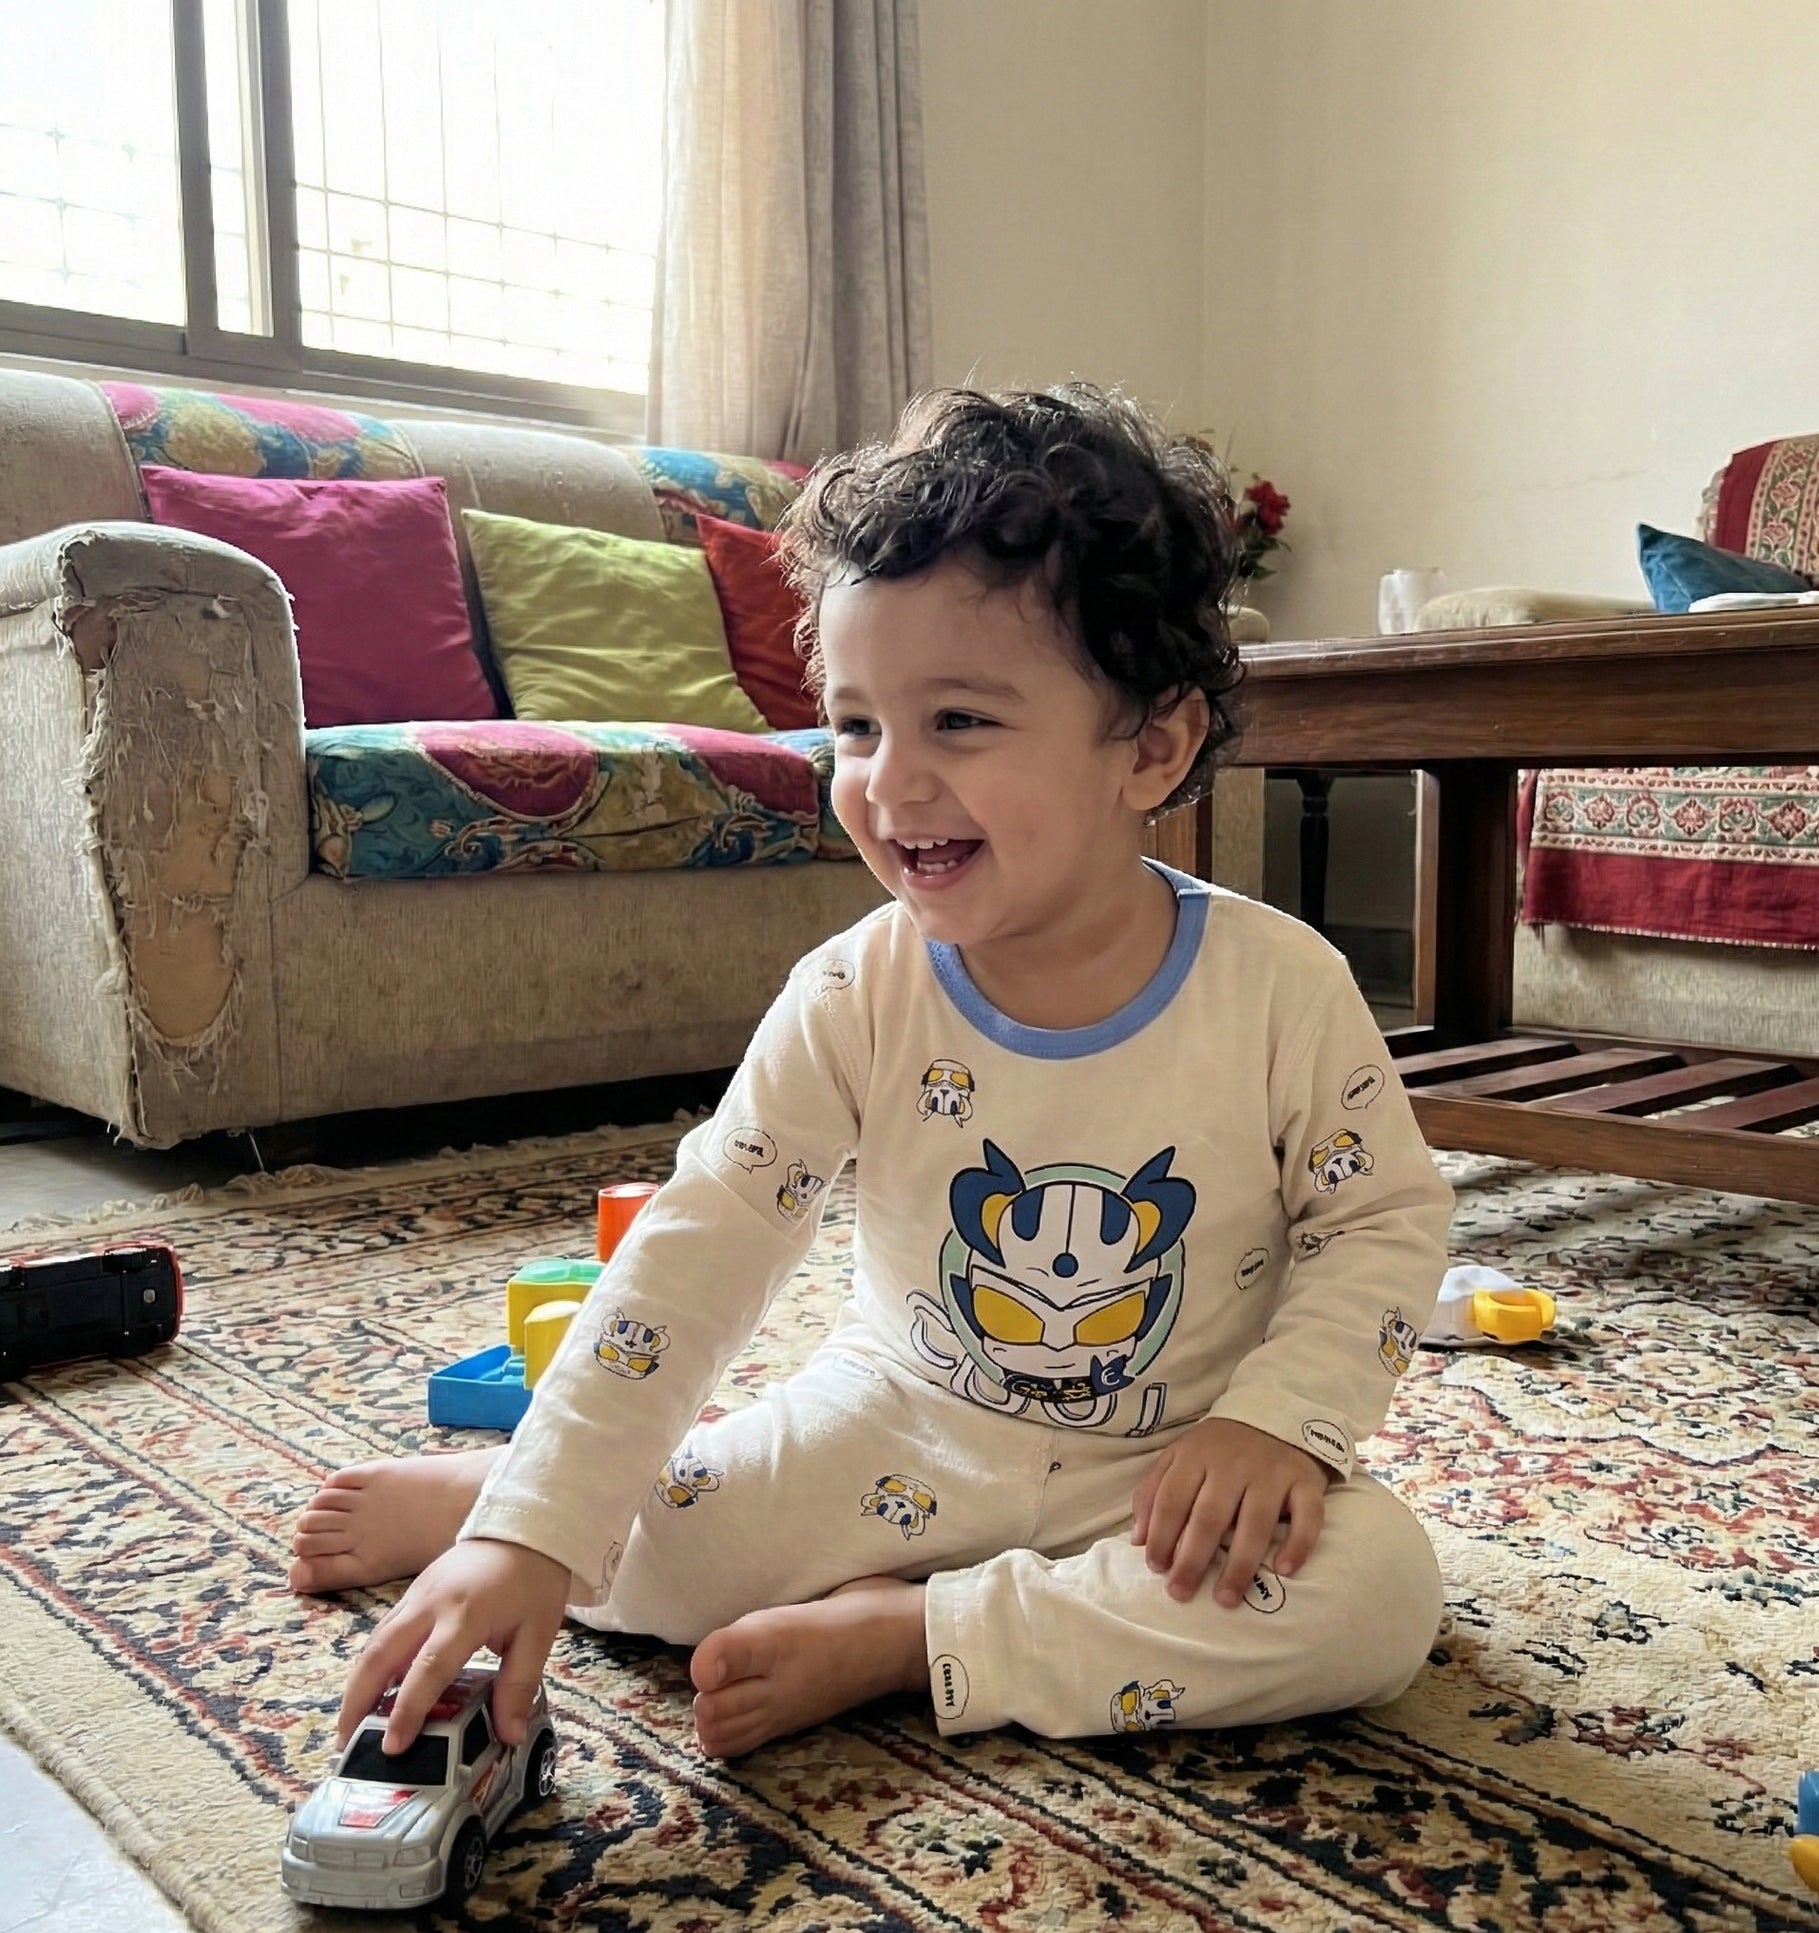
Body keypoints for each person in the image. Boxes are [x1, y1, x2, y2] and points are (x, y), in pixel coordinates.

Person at [291, 383, 1454, 1764]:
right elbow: (704, 1241)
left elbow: (1378, 1222)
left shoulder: (1279, 985)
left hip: (1167, 1469)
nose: (888, 784)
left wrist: (1278, 1423)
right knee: (645, 1556)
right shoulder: (855, 988)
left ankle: (915, 1638)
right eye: (854, 726)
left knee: (1377, 1596)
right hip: (900, 1430)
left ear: (1152, 746)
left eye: (957, 720)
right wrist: (537, 1525)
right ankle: (498, 1491)